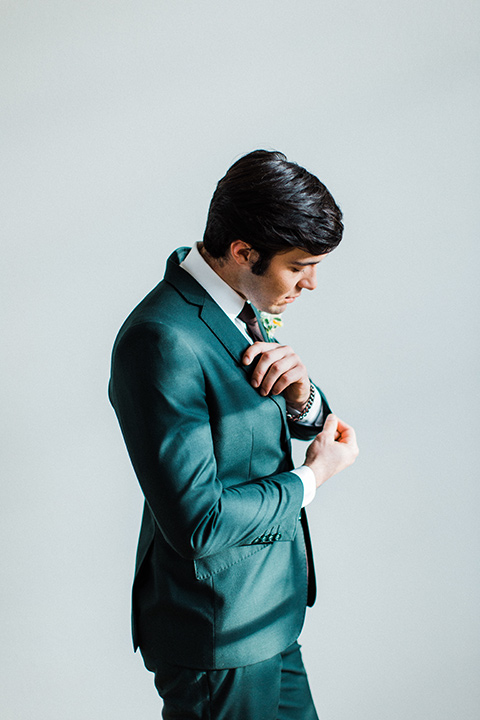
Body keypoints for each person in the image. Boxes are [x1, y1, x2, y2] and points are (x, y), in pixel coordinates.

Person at [108, 149, 359, 719]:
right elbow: (200, 522)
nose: (312, 284)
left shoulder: (236, 304)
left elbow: (261, 426)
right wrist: (312, 477)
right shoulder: (161, 341)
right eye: (299, 267)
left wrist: (302, 399)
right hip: (217, 635)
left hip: (271, 615)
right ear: (244, 252)